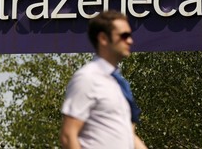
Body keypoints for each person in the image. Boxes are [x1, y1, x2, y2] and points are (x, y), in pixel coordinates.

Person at [60, 10, 147, 149]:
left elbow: (129, 135)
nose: (130, 40)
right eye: (124, 36)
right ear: (103, 39)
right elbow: (68, 135)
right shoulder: (87, 78)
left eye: (129, 35)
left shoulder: (119, 83)